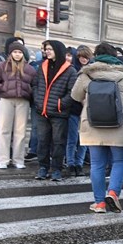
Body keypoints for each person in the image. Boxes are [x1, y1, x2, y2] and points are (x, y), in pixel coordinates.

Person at [70, 42, 123, 213]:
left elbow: (75, 95)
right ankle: (113, 193)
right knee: (120, 161)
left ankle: (100, 203)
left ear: (95, 56)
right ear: (115, 57)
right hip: (119, 125)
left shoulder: (86, 75)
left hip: (94, 125)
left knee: (97, 164)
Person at [32, 40, 78, 181]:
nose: (47, 51)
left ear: (58, 51)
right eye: (46, 49)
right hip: (42, 111)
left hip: (58, 113)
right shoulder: (42, 67)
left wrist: (59, 105)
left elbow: (72, 93)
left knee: (58, 142)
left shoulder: (70, 70)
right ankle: (43, 168)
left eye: (50, 49)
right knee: (42, 141)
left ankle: (57, 169)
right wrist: (38, 101)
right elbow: (35, 85)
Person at [0, 41, 35, 169]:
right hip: (5, 100)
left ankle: (18, 160)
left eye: (20, 52)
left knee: (20, 132)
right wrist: (2, 87)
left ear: (23, 54)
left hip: (22, 101)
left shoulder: (29, 69)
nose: (17, 54)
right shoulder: (2, 66)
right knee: (4, 130)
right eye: (15, 52)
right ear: (11, 53)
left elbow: (34, 84)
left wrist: (29, 92)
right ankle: (3, 159)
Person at [66, 45, 93, 177]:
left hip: (87, 109)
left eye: (86, 57)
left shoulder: (92, 71)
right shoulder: (73, 70)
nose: (83, 59)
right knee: (72, 138)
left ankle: (79, 163)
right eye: (81, 57)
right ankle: (70, 163)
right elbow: (72, 90)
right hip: (74, 108)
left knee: (85, 140)